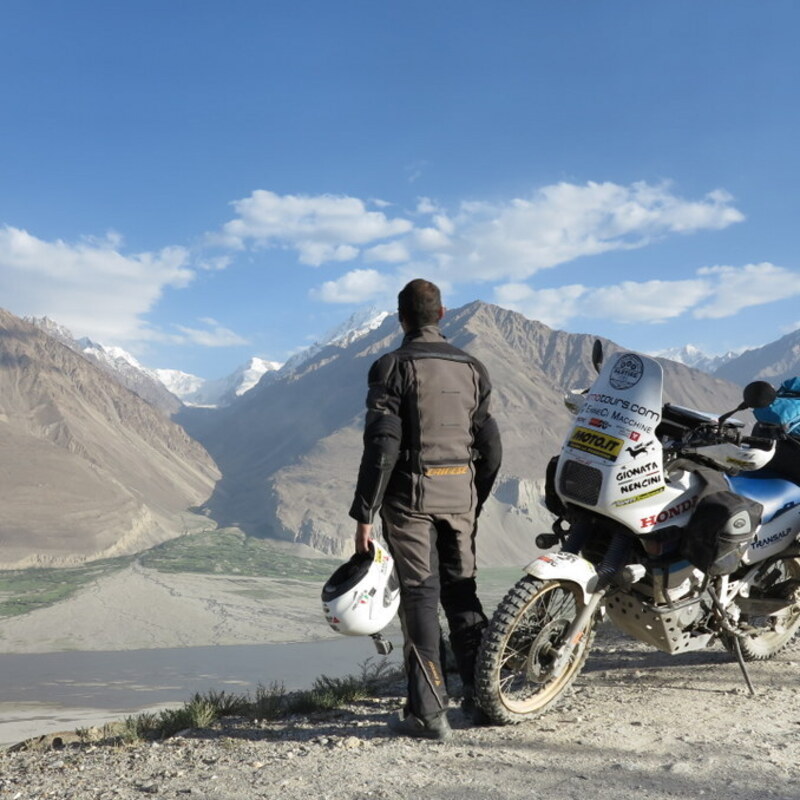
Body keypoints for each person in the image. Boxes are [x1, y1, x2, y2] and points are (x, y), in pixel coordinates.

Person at [349, 279, 502, 740]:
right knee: (462, 592)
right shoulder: (473, 367)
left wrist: (365, 512)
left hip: (410, 500)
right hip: (461, 496)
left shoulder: (392, 366)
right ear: (442, 314)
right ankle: (483, 698)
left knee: (419, 596)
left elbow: (383, 444)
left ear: (401, 318)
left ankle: (428, 713)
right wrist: (475, 497)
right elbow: (491, 446)